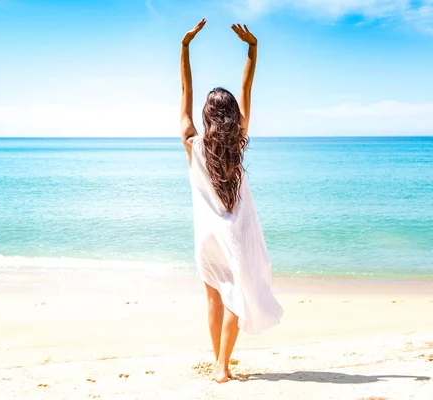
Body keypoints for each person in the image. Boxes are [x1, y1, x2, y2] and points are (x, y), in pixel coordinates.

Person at [180, 19, 284, 383]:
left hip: (206, 237)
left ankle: (218, 362)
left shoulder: (192, 143)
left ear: (207, 117)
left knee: (213, 298)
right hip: (233, 232)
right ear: (232, 115)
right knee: (237, 296)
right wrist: (252, 48)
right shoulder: (237, 141)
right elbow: (246, 86)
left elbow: (185, 97)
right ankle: (223, 365)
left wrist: (185, 48)